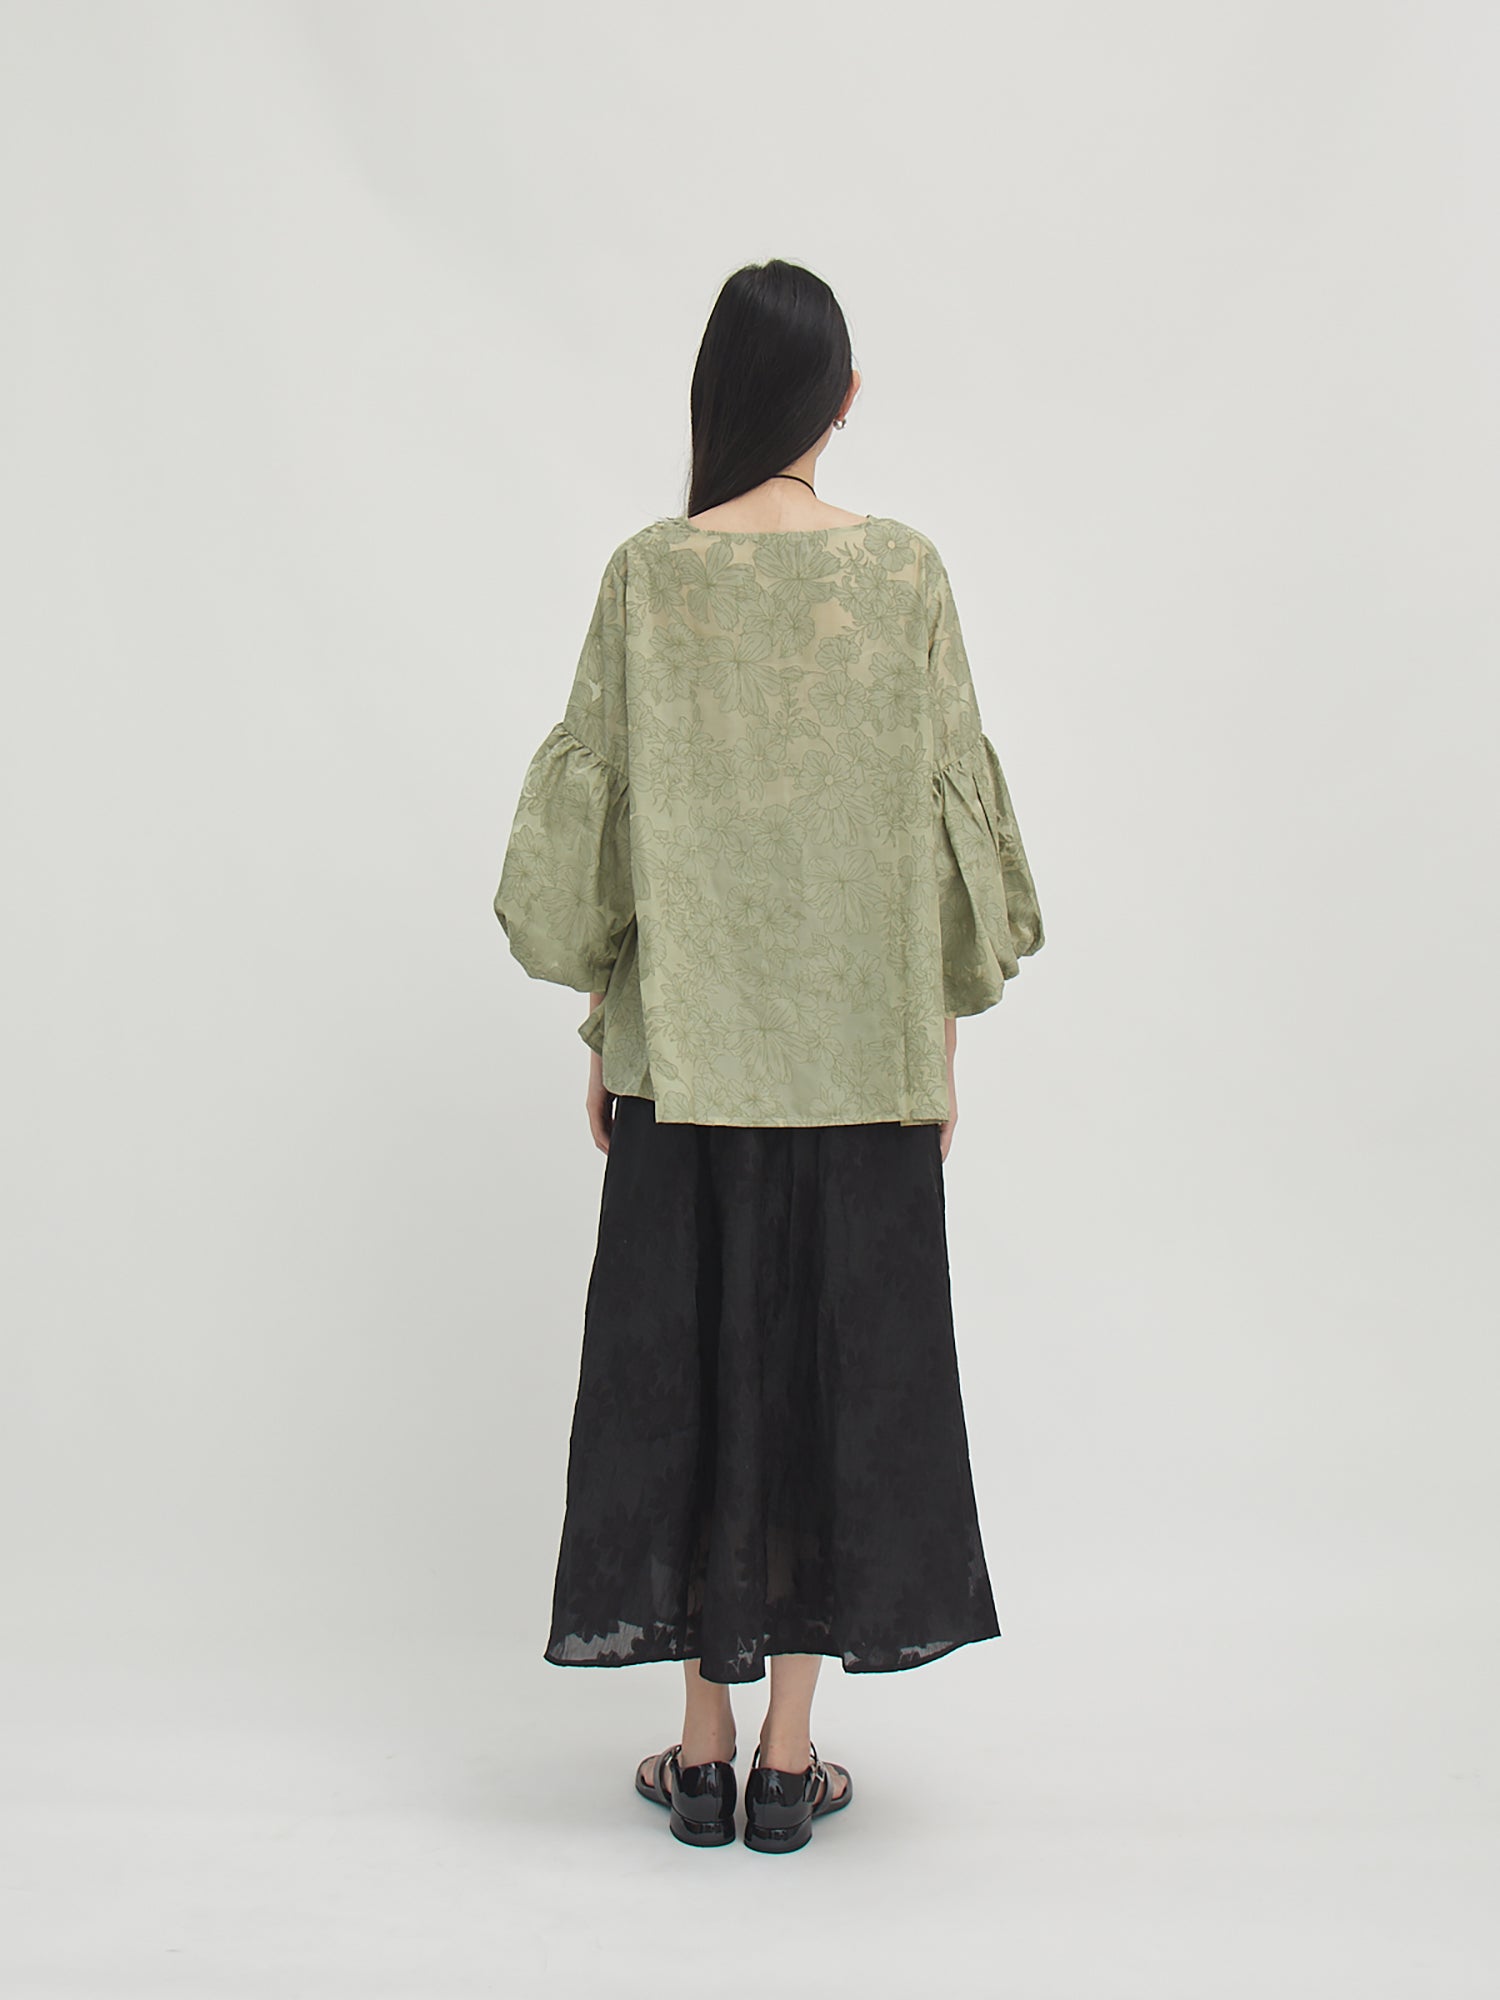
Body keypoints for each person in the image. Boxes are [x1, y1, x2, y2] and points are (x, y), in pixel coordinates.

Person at [493, 257, 1045, 1853]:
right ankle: (792, 1763)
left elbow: (599, 836)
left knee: (688, 1379)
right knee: (830, 1386)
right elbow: (943, 832)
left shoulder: (648, 576)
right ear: (844, 400)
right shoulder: (904, 574)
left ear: (716, 395)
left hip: (686, 1062)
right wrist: (940, 1047)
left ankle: (699, 1750)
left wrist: (607, 1026)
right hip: (864, 1066)